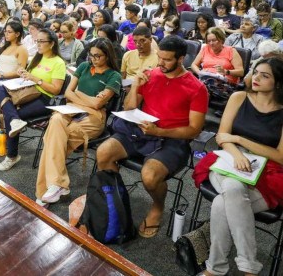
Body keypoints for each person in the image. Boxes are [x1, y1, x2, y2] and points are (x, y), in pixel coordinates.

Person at [97, 36, 208, 237]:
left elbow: (194, 130)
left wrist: (160, 132)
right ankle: (116, 201)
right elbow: (129, 107)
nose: (160, 63)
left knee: (149, 176)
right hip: (141, 130)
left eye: (166, 60)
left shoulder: (197, 88)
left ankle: (158, 206)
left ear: (181, 59)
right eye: (159, 58)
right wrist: (137, 85)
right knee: (103, 152)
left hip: (172, 139)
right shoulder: (152, 75)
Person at [193, 58, 283, 276]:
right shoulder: (239, 97)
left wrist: (242, 141)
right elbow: (223, 138)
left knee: (221, 204)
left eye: (265, 75)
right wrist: (236, 152)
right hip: (228, 159)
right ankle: (249, 268)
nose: (257, 78)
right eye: (256, 72)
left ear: (278, 83)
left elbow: (280, 156)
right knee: (233, 185)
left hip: (267, 170)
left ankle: (215, 268)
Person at [35, 38, 122, 206]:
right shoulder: (83, 67)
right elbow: (68, 92)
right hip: (71, 109)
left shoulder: (114, 75)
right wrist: (86, 98)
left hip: (93, 117)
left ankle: (47, 189)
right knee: (56, 120)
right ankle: (57, 184)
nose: (93, 59)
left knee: (53, 139)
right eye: (91, 55)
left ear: (108, 56)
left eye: (98, 56)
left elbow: (97, 105)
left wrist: (79, 94)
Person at [0, 29, 66, 171]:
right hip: (29, 91)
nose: (37, 44)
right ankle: (15, 120)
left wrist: (35, 79)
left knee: (11, 115)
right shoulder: (37, 57)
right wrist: (23, 73)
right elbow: (29, 75)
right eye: (37, 41)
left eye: (41, 41)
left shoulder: (58, 63)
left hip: (46, 98)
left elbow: (56, 90)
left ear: (51, 44)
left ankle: (12, 156)